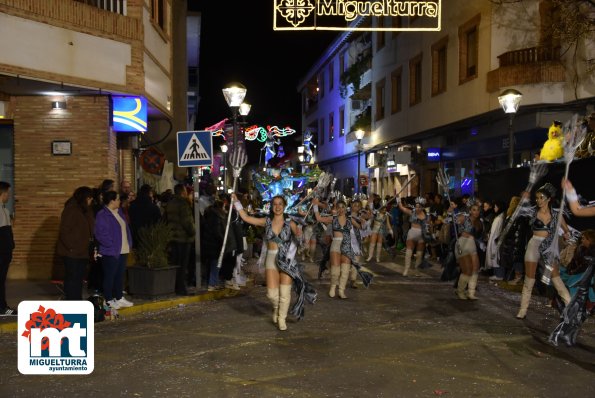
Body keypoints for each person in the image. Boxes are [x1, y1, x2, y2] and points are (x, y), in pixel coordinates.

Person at [232, 193, 315, 331]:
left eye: (280, 204)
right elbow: (246, 217)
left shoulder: (291, 222)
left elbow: (301, 242)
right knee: (271, 294)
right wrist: (236, 202)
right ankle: (276, 307)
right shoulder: (267, 221)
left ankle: (281, 318)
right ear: (271, 206)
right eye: (275, 204)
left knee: (285, 292)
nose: (277, 207)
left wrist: (301, 237)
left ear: (284, 206)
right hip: (271, 258)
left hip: (287, 260)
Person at [516, 183, 571, 319]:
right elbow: (519, 210)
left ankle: (570, 307)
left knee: (555, 277)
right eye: (537, 198)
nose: (538, 200)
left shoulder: (557, 214)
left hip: (549, 247)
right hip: (534, 244)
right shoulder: (533, 212)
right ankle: (523, 310)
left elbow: (567, 231)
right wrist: (524, 199)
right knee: (529, 278)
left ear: (548, 199)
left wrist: (566, 235)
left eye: (541, 198)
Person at [313, 198, 368, 299]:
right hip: (336, 244)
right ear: (337, 209)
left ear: (346, 208)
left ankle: (341, 291)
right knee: (335, 271)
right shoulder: (333, 218)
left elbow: (361, 228)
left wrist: (364, 223)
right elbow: (319, 219)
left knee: (345, 270)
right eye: (339, 207)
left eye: (343, 207)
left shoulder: (349, 219)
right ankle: (333, 287)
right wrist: (315, 205)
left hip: (347, 245)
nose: (341, 209)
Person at [94, 191, 134, 310]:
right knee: (110, 276)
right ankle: (109, 299)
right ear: (111, 201)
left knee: (119, 275)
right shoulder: (103, 214)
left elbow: (125, 229)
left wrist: (129, 243)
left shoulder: (119, 212)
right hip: (111, 251)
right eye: (117, 199)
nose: (119, 201)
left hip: (123, 250)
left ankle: (119, 297)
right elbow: (101, 233)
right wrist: (110, 245)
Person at [56, 186, 95, 300]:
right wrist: (72, 247)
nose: (91, 200)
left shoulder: (86, 210)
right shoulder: (71, 209)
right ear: (84, 198)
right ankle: (72, 302)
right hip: (71, 252)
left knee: (79, 279)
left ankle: (77, 300)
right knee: (72, 279)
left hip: (82, 251)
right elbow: (64, 231)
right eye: (89, 198)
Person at [164, 184, 195, 295]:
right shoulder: (183, 204)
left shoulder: (170, 203)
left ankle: (175, 286)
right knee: (182, 265)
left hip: (173, 237)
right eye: (186, 190)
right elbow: (187, 222)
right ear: (182, 192)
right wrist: (193, 232)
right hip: (183, 238)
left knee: (176, 263)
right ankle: (181, 288)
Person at [454, 202, 483, 300]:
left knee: (475, 268)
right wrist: (453, 210)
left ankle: (471, 293)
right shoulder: (464, 218)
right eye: (474, 209)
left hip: (472, 244)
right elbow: (453, 220)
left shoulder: (479, 222)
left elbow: (481, 235)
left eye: (478, 210)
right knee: (467, 270)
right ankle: (460, 291)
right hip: (463, 243)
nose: (476, 212)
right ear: (470, 210)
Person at [397, 196, 429, 276]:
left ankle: (417, 270)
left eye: (419, 206)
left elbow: (428, 226)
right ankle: (406, 270)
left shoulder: (427, 215)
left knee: (419, 254)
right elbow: (401, 207)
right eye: (416, 206)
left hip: (421, 235)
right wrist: (398, 199)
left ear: (422, 207)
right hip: (412, 233)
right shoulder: (412, 212)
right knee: (409, 252)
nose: (417, 208)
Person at [0, 181, 17, 316]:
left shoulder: (4, 209)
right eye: (8, 193)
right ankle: (2, 307)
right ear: (3, 193)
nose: (9, 195)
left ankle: (3, 306)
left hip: (5, 253)